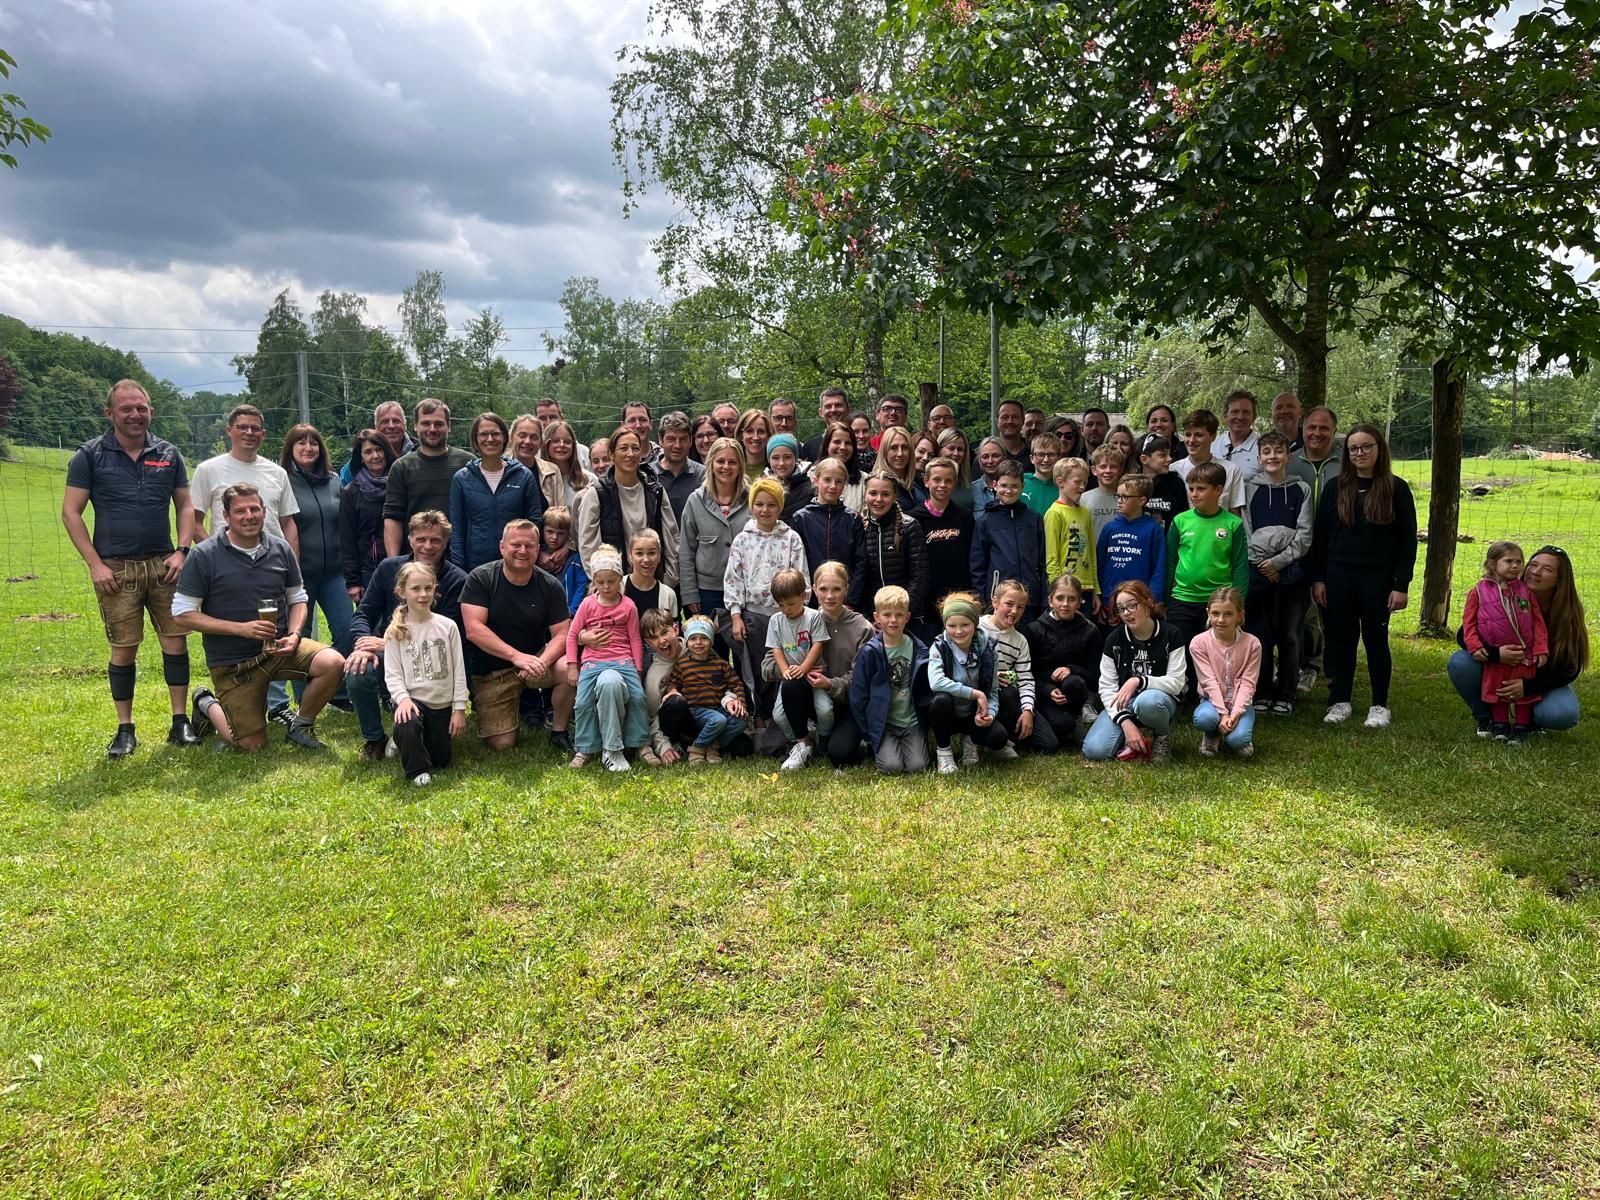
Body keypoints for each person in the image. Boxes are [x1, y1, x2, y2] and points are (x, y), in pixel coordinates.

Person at [62, 378, 200, 757]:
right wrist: (95, 564)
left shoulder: (168, 454)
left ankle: (179, 721)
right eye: (126, 409)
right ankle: (125, 728)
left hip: (164, 565)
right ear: (110, 413)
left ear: (151, 411)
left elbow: (185, 505)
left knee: (175, 641)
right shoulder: (89, 455)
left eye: (141, 408)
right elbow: (71, 513)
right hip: (115, 569)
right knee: (123, 649)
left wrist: (182, 551)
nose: (135, 415)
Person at [177, 484, 345, 752]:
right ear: (226, 515)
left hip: (277, 649)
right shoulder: (204, 555)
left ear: (264, 511)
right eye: (240, 511)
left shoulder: (280, 548)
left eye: (254, 509)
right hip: (233, 663)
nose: (249, 516)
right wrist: (240, 629)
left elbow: (298, 598)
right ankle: (205, 702)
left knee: (333, 662)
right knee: (249, 745)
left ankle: (301, 726)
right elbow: (182, 614)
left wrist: (294, 634)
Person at [1310, 423, 1417, 728]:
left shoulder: (1396, 488)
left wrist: (1400, 585)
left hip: (1378, 579)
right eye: (1353, 448)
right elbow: (1321, 537)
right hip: (1338, 575)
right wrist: (1319, 578)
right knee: (1340, 640)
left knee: (1375, 640)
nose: (1360, 453)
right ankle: (1339, 700)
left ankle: (1379, 704)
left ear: (1379, 449)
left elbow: (1407, 541)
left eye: (1366, 446)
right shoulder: (1335, 487)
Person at [346, 510, 467, 760]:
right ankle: (374, 739)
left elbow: (445, 637)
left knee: (439, 755)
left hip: (431, 661)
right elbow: (363, 613)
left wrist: (388, 643)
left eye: (435, 540)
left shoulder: (457, 580)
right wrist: (362, 644)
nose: (427, 546)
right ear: (410, 539)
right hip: (387, 652)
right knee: (359, 670)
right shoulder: (388, 568)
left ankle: (412, 725)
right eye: (421, 539)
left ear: (445, 543)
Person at [460, 519, 575, 753]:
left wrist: (542, 661)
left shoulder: (550, 585)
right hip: (492, 671)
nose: (523, 551)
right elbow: (474, 629)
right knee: (502, 745)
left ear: (538, 549)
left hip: (535, 661)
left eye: (529, 546)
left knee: (567, 668)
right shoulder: (480, 578)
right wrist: (516, 657)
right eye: (516, 545)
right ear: (502, 546)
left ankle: (559, 731)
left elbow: (563, 634)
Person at [1448, 545, 1586, 735]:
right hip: (1497, 667)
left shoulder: (1567, 613)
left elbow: (1570, 669)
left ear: (1560, 579)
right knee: (1461, 662)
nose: (1535, 572)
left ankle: (1530, 720)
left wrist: (1527, 686)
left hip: (1537, 677)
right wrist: (1496, 654)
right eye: (1533, 565)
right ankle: (1487, 718)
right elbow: (1464, 634)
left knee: (1562, 713)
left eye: (1547, 569)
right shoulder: (1500, 592)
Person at [1240, 432, 1312, 714]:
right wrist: (1263, 563)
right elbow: (1246, 532)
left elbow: (1304, 535)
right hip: (1258, 573)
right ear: (1259, 458)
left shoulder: (1301, 489)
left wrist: (1279, 562)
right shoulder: (1250, 490)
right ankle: (1262, 691)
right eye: (1267, 452)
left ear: (1288, 456)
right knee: (1260, 633)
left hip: (1291, 573)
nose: (1273, 456)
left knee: (1290, 634)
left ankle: (1287, 692)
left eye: (1278, 451)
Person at [724, 477, 808, 717]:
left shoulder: (791, 539)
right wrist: (736, 615)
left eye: (771, 505)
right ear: (752, 506)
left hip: (785, 616)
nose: (765, 510)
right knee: (757, 667)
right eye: (759, 504)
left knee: (785, 665)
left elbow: (801, 576)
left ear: (780, 507)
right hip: (754, 615)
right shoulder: (742, 539)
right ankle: (759, 716)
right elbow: (733, 579)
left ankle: (784, 717)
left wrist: (797, 611)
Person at [281, 424, 351, 708]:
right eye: (301, 443)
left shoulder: (333, 480)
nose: (308, 448)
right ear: (290, 448)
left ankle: (339, 692)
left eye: (313, 443)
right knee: (300, 636)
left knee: (347, 631)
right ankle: (304, 698)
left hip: (335, 573)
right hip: (300, 574)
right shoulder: (282, 480)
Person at [382, 562, 468, 786]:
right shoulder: (396, 631)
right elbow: (392, 674)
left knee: (441, 761)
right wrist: (403, 699)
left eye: (428, 588)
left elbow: (459, 670)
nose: (423, 594)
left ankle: (404, 742)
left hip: (440, 704)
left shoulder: (448, 627)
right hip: (413, 701)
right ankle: (416, 770)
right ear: (402, 592)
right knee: (407, 723)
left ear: (435, 589)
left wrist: (459, 709)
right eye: (416, 589)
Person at [1082, 581, 1186, 764]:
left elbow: (1177, 683)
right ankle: (1132, 736)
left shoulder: (1171, 634)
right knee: (1094, 750)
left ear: (1148, 602)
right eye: (1121, 609)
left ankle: (1162, 736)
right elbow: (1106, 688)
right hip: (1124, 703)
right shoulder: (1114, 639)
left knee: (1148, 701)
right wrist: (1125, 723)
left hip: (1157, 700)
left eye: (1132, 605)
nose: (1126, 613)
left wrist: (1139, 681)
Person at [565, 546, 647, 772]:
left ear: (620, 578)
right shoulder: (587, 604)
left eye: (611, 581)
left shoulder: (628, 606)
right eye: (600, 582)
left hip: (623, 660)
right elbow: (572, 635)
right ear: (594, 581)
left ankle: (639, 743)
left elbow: (635, 639)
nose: (606, 586)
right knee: (582, 703)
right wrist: (572, 666)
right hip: (592, 662)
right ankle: (585, 747)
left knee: (638, 698)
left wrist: (638, 669)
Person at [1460, 541, 1548, 743]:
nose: (1515, 566)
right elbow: (1468, 623)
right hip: (1496, 654)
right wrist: (1475, 646)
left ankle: (1522, 726)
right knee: (1498, 688)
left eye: (1519, 561)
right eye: (1508, 561)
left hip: (1523, 654)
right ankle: (1500, 725)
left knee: (1521, 691)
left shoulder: (1526, 591)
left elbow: (1538, 623)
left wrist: (1541, 648)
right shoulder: (1478, 591)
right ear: (1492, 564)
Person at [1164, 461, 1248, 661]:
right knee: (1182, 655)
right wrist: (1166, 600)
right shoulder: (1180, 521)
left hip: (1219, 603)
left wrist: (1238, 604)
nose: (1194, 494)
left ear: (1218, 490)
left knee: (1216, 656)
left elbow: (1240, 567)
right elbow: (1170, 561)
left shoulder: (1233, 524)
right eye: (1191, 488)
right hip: (1183, 600)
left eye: (1201, 489)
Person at [793, 560, 873, 766]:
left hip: (848, 703)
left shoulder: (863, 627)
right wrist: (799, 669)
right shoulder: (803, 621)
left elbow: (862, 677)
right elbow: (770, 663)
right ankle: (804, 739)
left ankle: (850, 734)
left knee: (840, 755)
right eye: (823, 589)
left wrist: (830, 683)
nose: (830, 596)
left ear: (847, 589)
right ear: (813, 589)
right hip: (814, 699)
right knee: (791, 685)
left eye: (836, 589)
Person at [577, 427, 680, 587]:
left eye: (635, 448)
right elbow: (588, 545)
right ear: (611, 454)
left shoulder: (655, 490)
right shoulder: (597, 494)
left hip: (652, 582)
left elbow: (671, 535)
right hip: (614, 586)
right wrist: (603, 582)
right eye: (624, 448)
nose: (630, 454)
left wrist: (669, 580)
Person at [190, 404, 300, 554]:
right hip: (227, 561)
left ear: (263, 434)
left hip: (272, 560)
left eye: (255, 428)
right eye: (242, 427)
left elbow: (287, 524)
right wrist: (215, 556)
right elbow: (194, 522)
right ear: (229, 430)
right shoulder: (208, 470)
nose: (249, 432)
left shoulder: (278, 473)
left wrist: (292, 562)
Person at [850, 584, 932, 774]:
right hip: (884, 724)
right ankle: (879, 746)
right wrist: (867, 732)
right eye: (887, 615)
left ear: (907, 617)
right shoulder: (870, 652)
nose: (893, 620)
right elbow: (858, 695)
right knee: (891, 766)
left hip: (911, 721)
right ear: (877, 617)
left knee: (918, 766)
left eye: (899, 615)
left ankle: (909, 745)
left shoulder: (919, 649)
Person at [449, 412, 545, 571]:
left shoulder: (523, 476)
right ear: (475, 439)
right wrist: (460, 571)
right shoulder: (462, 479)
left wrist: (526, 560)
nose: (490, 439)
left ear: (505, 437)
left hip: (515, 566)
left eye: (495, 433)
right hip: (475, 568)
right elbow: (457, 530)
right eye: (483, 434)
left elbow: (534, 522)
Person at [927, 591, 1011, 773]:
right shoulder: (939, 646)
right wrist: (975, 693)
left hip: (973, 713)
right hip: (949, 711)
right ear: (945, 625)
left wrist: (990, 714)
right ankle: (944, 752)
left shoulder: (988, 648)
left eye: (965, 624)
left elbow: (993, 690)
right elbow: (936, 682)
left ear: (975, 623)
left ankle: (970, 741)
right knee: (940, 700)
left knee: (998, 737)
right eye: (952, 625)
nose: (958, 631)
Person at [1290, 405, 1340, 694]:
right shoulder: (1290, 463)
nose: (1317, 433)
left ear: (1334, 431)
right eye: (1311, 427)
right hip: (1298, 548)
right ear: (1303, 429)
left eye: (1324, 428)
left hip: (1335, 549)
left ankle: (1334, 669)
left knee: (1332, 611)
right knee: (1301, 611)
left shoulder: (1345, 464)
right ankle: (1305, 665)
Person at [383, 399, 473, 557]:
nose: (432, 429)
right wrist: (394, 562)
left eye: (438, 424)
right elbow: (393, 518)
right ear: (415, 426)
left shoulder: (468, 464)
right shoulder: (401, 467)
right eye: (426, 423)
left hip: (460, 559)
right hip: (414, 560)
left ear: (449, 426)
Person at [763, 568, 833, 770]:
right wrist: (785, 669)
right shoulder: (776, 621)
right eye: (781, 605)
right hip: (792, 677)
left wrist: (803, 668)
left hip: (814, 673)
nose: (786, 609)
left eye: (791, 604)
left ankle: (824, 740)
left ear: (803, 596)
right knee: (779, 715)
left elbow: (818, 645)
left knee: (825, 709)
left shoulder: (813, 617)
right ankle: (802, 742)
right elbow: (776, 648)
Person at [1025, 573, 1103, 750]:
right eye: (1060, 598)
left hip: (1075, 693)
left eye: (1072, 599)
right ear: (1050, 601)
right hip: (1043, 694)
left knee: (1074, 681)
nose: (1065, 604)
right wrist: (1047, 690)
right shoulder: (1034, 630)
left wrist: (1071, 669)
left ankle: (1077, 718)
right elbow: (1027, 673)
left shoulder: (1090, 631)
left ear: (1080, 602)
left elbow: (1096, 679)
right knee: (1058, 730)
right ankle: (1060, 726)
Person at [677, 437, 751, 624]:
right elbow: (686, 551)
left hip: (747, 589)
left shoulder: (753, 499)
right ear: (711, 463)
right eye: (720, 461)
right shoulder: (696, 501)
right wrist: (689, 593)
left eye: (732, 462)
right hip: (707, 591)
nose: (726, 467)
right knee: (710, 641)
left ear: (740, 466)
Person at [663, 615, 750, 764]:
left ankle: (711, 746)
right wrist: (673, 691)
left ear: (711, 641)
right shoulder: (682, 665)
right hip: (695, 710)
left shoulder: (721, 664)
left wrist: (740, 702)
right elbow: (673, 684)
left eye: (704, 638)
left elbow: (736, 685)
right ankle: (697, 748)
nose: (698, 643)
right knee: (718, 720)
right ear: (687, 641)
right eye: (693, 638)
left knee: (741, 721)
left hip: (717, 708)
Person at [1190, 587, 1262, 758]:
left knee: (1239, 742)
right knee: (1204, 718)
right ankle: (1212, 733)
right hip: (1211, 702)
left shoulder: (1252, 644)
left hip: (1240, 703)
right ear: (1208, 613)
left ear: (1240, 615)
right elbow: (1208, 682)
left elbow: (1248, 683)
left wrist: (1235, 713)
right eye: (1215, 613)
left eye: (1228, 614)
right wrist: (1223, 714)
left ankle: (1236, 732)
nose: (1221, 620)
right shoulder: (1199, 643)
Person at [979, 579, 1049, 755]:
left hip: (1008, 701)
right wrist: (991, 677)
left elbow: (1025, 679)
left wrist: (1027, 710)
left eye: (1020, 607)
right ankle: (993, 740)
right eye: (1009, 604)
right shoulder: (976, 628)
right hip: (981, 695)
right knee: (1008, 692)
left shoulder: (1020, 641)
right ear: (995, 602)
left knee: (1048, 744)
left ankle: (1009, 736)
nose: (1014, 611)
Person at [970, 459, 1046, 621]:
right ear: (995, 485)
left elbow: (1042, 562)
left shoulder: (1034, 519)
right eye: (1004, 485)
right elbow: (978, 567)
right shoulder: (985, 522)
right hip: (998, 601)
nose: (1009, 491)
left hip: (1030, 600)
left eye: (1014, 486)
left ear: (1022, 486)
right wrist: (982, 601)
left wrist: (1044, 598)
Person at [790, 457, 867, 610]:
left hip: (844, 602)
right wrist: (803, 599)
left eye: (839, 481)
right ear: (815, 480)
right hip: (811, 602)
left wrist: (850, 601)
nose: (833, 486)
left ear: (845, 485)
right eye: (827, 480)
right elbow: (796, 563)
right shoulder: (801, 518)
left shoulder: (853, 519)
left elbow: (861, 563)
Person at [912, 456, 975, 639]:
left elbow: (972, 556)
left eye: (948, 481)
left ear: (954, 483)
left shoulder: (964, 516)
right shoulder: (914, 518)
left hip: (958, 597)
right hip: (927, 600)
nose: (942, 485)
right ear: (926, 481)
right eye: (937, 480)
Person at [858, 471, 930, 626]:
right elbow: (858, 577)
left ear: (894, 496)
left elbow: (920, 575)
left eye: (885, 494)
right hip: (873, 618)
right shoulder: (858, 526)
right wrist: (870, 617)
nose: (879, 499)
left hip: (906, 617)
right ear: (865, 494)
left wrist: (901, 613)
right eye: (873, 493)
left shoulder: (909, 526)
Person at [1096, 474, 1167, 617]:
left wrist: (1153, 600)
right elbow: (1099, 565)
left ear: (1141, 500)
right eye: (1118, 496)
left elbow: (1159, 569)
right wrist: (1098, 596)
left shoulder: (1153, 530)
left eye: (1125, 497)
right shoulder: (1109, 528)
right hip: (1109, 601)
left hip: (1140, 602)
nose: (1119, 501)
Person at [339, 429, 395, 601]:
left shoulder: (399, 484)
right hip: (368, 572)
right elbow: (347, 539)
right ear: (361, 458)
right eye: (368, 452)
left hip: (401, 566)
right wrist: (353, 581)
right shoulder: (351, 492)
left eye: (379, 450)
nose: (375, 456)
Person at [1044, 457, 1097, 610]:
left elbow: (1091, 553)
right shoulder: (1054, 513)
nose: (1082, 487)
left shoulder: (1085, 513)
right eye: (1077, 482)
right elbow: (1051, 558)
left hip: (1086, 588)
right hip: (1065, 591)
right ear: (1061, 482)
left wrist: (1095, 590)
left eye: (1085, 483)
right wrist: (1057, 590)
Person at [1173, 409, 1245, 514]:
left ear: (1213, 436)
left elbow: (1235, 513)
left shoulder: (1231, 470)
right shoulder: (1173, 469)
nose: (1191, 440)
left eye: (1199, 435)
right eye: (1188, 434)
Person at [640, 608, 687, 765]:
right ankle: (679, 743)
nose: (662, 641)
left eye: (665, 632)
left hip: (707, 714)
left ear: (675, 629)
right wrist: (663, 747)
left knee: (741, 747)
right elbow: (652, 716)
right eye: (654, 638)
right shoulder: (654, 675)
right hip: (676, 721)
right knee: (675, 703)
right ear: (648, 643)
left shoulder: (698, 647)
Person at [339, 400, 413, 484]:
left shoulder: (419, 452)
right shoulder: (360, 460)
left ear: (405, 425)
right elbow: (343, 484)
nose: (391, 426)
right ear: (376, 427)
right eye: (385, 422)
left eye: (396, 421)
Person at [509, 414, 565, 516]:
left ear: (541, 443)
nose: (527, 441)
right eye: (522, 436)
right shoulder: (499, 470)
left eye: (534, 437)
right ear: (511, 438)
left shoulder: (552, 472)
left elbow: (561, 515)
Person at [539, 506, 589, 616]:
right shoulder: (535, 558)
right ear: (542, 531)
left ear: (568, 534)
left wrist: (572, 612)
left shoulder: (576, 559)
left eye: (561, 533)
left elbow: (581, 587)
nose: (555, 537)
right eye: (550, 532)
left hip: (567, 614)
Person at [655, 411, 705, 519]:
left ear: (690, 441)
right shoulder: (648, 476)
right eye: (671, 439)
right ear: (661, 440)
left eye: (683, 439)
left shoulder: (703, 475)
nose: (677, 445)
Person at [540, 419, 596, 516]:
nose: (562, 445)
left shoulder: (589, 480)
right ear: (546, 445)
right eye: (555, 441)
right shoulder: (537, 479)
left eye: (567, 442)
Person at [623, 528, 678, 619]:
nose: (646, 559)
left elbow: (673, 627)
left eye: (651, 553)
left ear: (659, 555)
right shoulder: (616, 588)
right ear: (630, 555)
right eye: (639, 553)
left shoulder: (668, 595)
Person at [1137, 435, 1189, 528]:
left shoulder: (1176, 484)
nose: (1170, 459)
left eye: (1169, 454)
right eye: (1162, 455)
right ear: (1144, 459)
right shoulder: (1132, 485)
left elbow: (1183, 519)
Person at [764, 432, 815, 520]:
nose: (781, 463)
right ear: (769, 460)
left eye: (787, 457)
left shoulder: (810, 490)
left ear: (796, 458)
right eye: (775, 458)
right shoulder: (762, 487)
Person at [821, 421, 868, 511]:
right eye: (837, 442)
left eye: (848, 443)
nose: (843, 447)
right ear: (827, 445)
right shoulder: (811, 477)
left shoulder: (865, 481)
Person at [535, 397, 593, 470]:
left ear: (562, 418)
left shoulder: (583, 453)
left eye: (553, 417)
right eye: (542, 418)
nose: (548, 422)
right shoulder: (534, 453)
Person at [1082, 445, 1124, 542]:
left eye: (1113, 467)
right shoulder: (1083, 498)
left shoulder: (1128, 497)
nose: (1108, 471)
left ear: (1121, 470)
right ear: (1094, 470)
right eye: (1103, 466)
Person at [1212, 389, 1261, 471]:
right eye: (1235, 412)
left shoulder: (1263, 448)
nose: (1240, 417)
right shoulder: (1212, 445)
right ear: (1225, 416)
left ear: (1254, 417)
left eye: (1246, 412)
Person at [801, 387, 851, 463]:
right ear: (820, 412)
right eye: (828, 406)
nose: (833, 410)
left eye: (838, 405)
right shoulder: (809, 448)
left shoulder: (859, 442)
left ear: (848, 410)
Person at [934, 428, 974, 509]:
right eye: (951, 448)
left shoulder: (968, 480)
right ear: (939, 449)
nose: (956, 453)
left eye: (960, 449)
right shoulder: (929, 481)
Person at [1021, 433, 1061, 515]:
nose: (1046, 460)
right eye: (1040, 455)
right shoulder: (1020, 484)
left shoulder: (1063, 487)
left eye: (1051, 454)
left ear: (1059, 458)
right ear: (1032, 458)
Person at [736, 409, 775, 481]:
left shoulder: (777, 466)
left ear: (769, 435)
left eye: (761, 431)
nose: (755, 437)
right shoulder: (732, 466)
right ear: (741, 435)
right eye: (749, 431)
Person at [995, 399, 1032, 472]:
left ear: (1023, 420)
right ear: (997, 421)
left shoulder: (1035, 453)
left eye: (1015, 417)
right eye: (1005, 417)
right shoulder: (986, 456)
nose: (1010, 421)